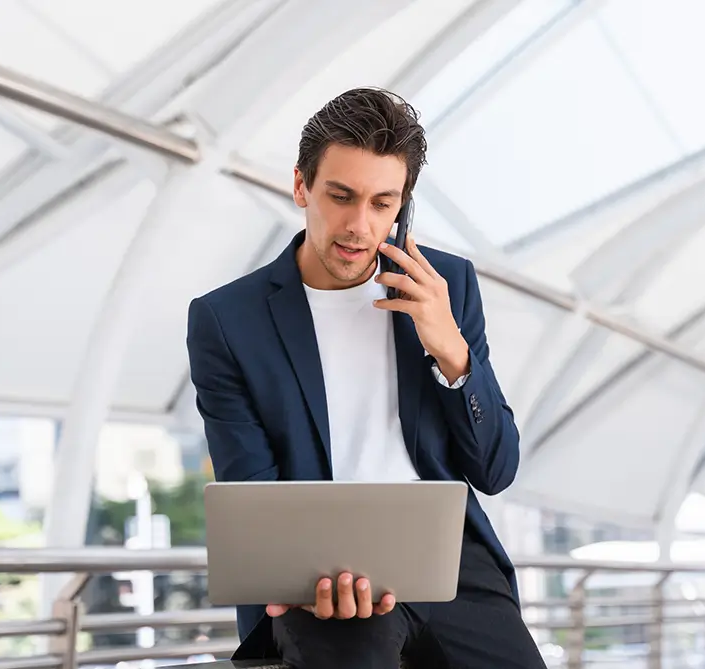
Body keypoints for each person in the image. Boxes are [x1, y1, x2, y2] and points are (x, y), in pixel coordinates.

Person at [186, 87, 546, 668]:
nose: (360, 225)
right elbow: (250, 487)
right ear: (302, 185)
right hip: (317, 576)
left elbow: (496, 470)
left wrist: (449, 348)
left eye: (383, 203)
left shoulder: (444, 284)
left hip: (447, 560)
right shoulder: (228, 321)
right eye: (341, 196)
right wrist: (297, 573)